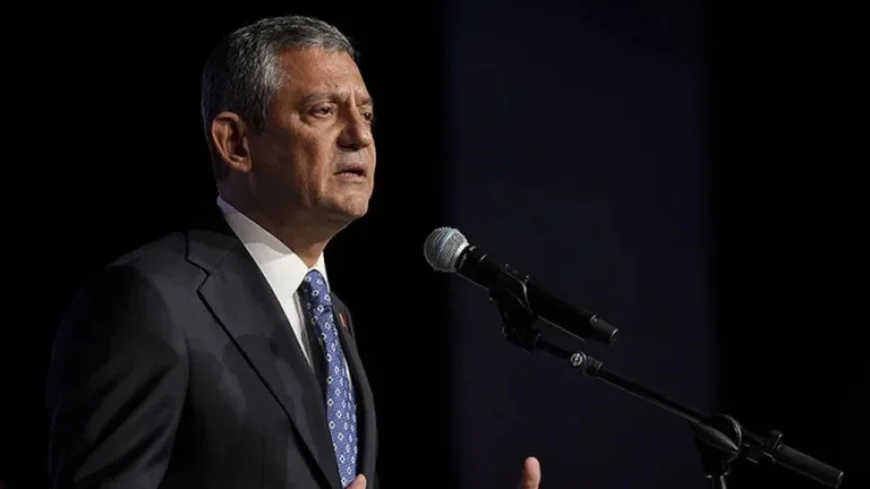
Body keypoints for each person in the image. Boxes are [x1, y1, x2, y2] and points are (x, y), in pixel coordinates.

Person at [44, 14, 542, 489]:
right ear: (236, 143)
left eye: (367, 114)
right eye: (323, 111)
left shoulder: (331, 316)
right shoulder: (149, 301)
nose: (360, 135)